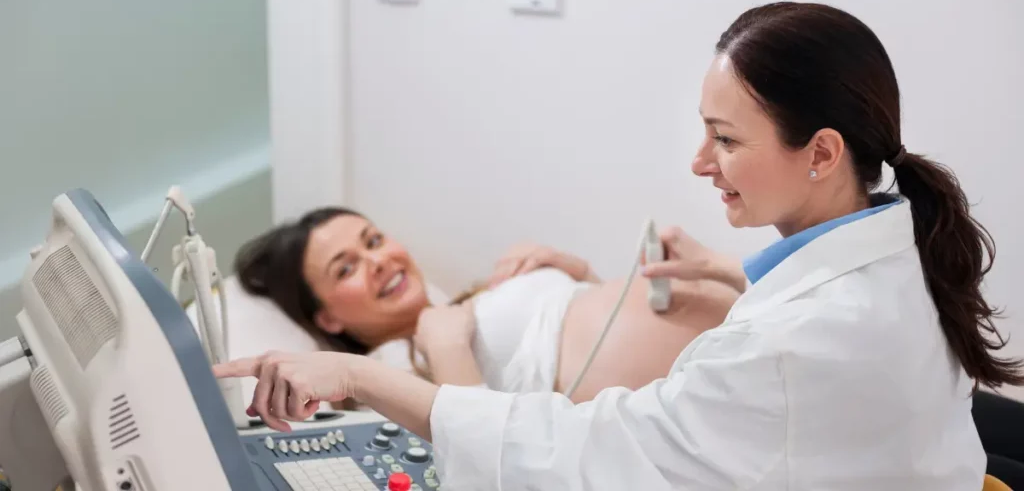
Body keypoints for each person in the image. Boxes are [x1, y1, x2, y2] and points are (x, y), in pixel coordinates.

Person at [215, 2, 1024, 490]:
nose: (701, 163)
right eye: (345, 269)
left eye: (725, 140)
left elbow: (589, 456)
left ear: (821, 153)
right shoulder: (886, 244)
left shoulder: (798, 341)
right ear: (324, 313)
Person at [231, 206, 742, 403]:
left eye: (374, 240)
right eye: (346, 268)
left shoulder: (466, 298)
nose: (378, 261)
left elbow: (586, 332)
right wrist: (446, 345)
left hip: (736, 335)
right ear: (328, 319)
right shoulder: (386, 373)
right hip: (712, 392)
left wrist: (575, 270)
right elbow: (480, 450)